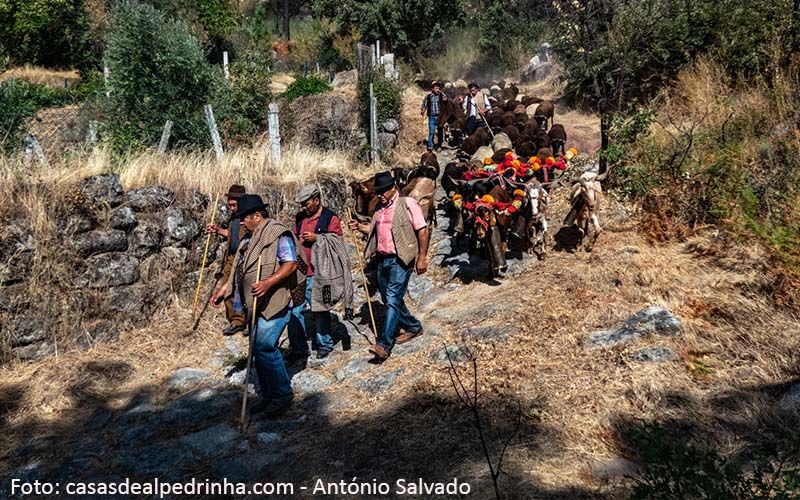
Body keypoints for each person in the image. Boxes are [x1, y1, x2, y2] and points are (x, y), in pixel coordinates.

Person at [210, 195, 307, 417]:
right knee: (257, 347)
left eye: (245, 217)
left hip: (277, 299)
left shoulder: (277, 234)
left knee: (264, 346)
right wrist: (223, 290)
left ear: (257, 215)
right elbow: (237, 271)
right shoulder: (249, 239)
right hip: (257, 303)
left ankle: (282, 395)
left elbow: (290, 264)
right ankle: (269, 395)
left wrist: (268, 282)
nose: (242, 222)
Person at [348, 172, 430, 362]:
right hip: (382, 260)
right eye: (377, 192)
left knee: (392, 299)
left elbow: (422, 229)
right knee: (390, 299)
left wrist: (422, 257)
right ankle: (413, 326)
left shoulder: (407, 204)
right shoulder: (380, 210)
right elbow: (374, 229)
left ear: (393, 188)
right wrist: (359, 226)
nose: (379, 195)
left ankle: (384, 345)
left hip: (401, 259)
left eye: (382, 191)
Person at [286, 184, 352, 360]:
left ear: (317, 200)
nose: (304, 207)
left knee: (320, 309)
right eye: (302, 204)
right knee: (294, 310)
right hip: (300, 272)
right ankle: (298, 347)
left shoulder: (330, 218)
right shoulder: (300, 218)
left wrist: (318, 238)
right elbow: (294, 237)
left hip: (321, 273)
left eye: (306, 203)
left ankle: (324, 344)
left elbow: (337, 243)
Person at [206, 184, 247, 336]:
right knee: (226, 285)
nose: (230, 208)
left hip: (245, 256)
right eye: (229, 204)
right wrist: (217, 230)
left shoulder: (249, 217)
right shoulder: (234, 217)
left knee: (244, 288)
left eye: (233, 205)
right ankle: (236, 321)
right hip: (231, 256)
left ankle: (249, 320)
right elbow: (232, 235)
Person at [420, 81, 447, 151]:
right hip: (431, 116)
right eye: (436, 88)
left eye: (438, 88)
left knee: (440, 132)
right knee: (431, 132)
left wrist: (445, 99)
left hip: (440, 116)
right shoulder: (428, 96)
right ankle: (430, 146)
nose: (437, 89)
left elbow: (446, 99)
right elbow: (424, 104)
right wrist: (423, 110)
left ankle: (439, 145)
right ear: (432, 89)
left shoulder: (441, 94)